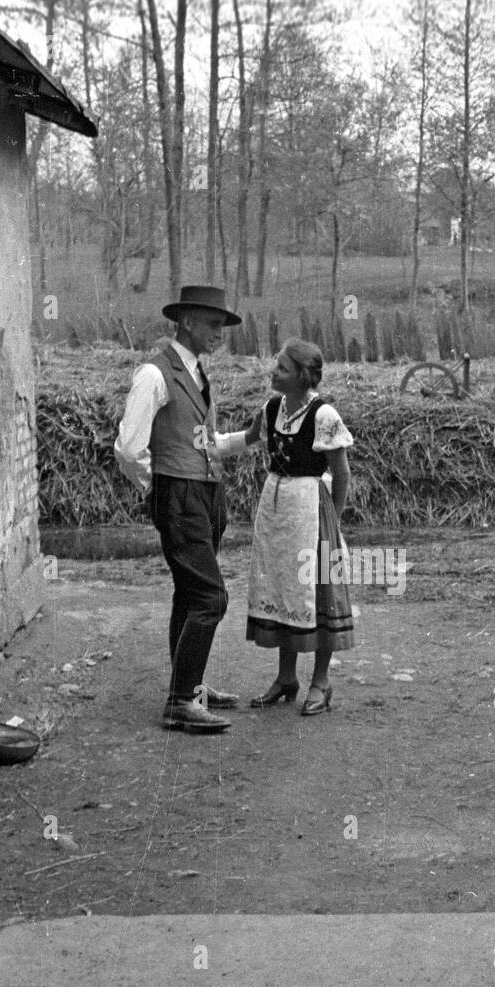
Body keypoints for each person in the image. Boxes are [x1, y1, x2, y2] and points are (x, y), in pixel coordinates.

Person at [114, 285, 261, 733]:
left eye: (223, 326)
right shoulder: (154, 375)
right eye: (214, 325)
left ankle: (189, 686)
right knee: (210, 597)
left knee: (188, 593)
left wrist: (247, 439)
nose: (221, 333)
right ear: (188, 323)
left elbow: (202, 442)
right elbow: (128, 447)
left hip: (204, 495)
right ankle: (180, 702)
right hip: (180, 496)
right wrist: (158, 487)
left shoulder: (195, 373)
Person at [246, 337, 355, 715]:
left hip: (313, 512)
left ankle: (321, 683)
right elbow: (246, 440)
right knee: (283, 588)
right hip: (274, 511)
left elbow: (341, 474)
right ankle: (286, 678)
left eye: (282, 368)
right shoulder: (272, 407)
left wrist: (333, 521)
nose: (273, 372)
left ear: (302, 376)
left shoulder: (324, 416)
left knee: (318, 591)